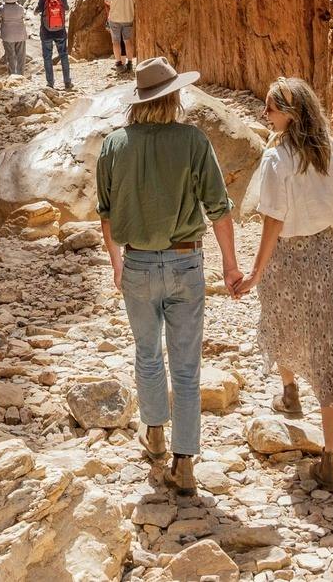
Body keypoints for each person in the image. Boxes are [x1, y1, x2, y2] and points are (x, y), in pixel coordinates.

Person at [97, 58, 240, 495]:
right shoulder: (193, 140)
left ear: (139, 102)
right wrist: (231, 265)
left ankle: (155, 433)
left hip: (138, 263)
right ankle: (185, 462)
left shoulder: (114, 145)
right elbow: (218, 207)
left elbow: (104, 213)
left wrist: (116, 262)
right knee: (186, 366)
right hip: (185, 262)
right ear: (173, 97)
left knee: (146, 354)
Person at [230, 76, 333, 492]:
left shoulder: (278, 161)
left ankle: (289, 389)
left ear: (289, 114)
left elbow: (273, 219)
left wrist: (255, 271)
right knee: (328, 347)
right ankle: (329, 456)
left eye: (270, 109)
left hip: (287, 258)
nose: (263, 115)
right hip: (327, 255)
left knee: (281, 321)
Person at [34, 0, 73, 89]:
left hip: (46, 33)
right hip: (60, 32)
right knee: (64, 56)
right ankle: (67, 82)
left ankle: (50, 83)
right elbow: (67, 8)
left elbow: (36, 12)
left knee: (47, 57)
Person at [103, 0, 136, 73]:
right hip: (128, 16)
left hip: (115, 17)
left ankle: (118, 64)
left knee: (116, 41)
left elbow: (107, 1)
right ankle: (130, 63)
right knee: (128, 41)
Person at [0, 0, 29, 77]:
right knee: (21, 56)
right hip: (20, 34)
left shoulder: (2, 8)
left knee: (10, 56)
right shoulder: (20, 8)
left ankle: (12, 75)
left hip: (7, 35)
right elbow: (24, 15)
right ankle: (21, 75)